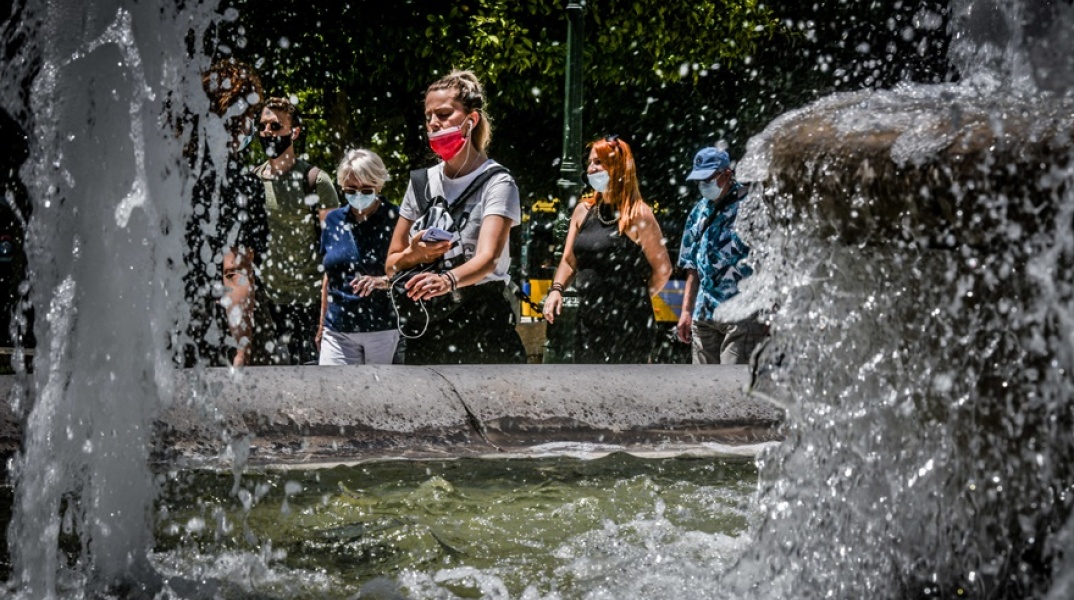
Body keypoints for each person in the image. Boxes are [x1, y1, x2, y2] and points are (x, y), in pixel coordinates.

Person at [385, 70, 525, 365]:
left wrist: (447, 280)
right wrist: (413, 253)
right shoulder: (421, 182)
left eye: (444, 114)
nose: (434, 123)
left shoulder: (498, 182)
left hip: (482, 324)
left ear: (470, 120)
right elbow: (391, 263)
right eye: (428, 117)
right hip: (426, 326)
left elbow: (487, 258)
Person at [542, 136, 672, 363]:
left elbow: (663, 270)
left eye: (599, 162)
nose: (592, 169)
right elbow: (569, 260)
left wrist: (633, 297)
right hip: (589, 321)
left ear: (619, 167)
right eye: (590, 162)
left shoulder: (638, 214)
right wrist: (556, 290)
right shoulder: (583, 210)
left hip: (628, 325)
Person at [253, 96, 340, 365]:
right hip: (267, 306)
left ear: (294, 132)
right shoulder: (253, 181)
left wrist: (329, 310)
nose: (267, 132)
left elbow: (335, 247)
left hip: (310, 303)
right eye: (263, 126)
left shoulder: (315, 180)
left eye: (275, 126)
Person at [676, 146, 766, 364]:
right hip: (704, 315)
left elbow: (768, 260)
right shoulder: (698, 212)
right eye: (699, 180)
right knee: (703, 388)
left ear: (727, 174)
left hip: (741, 316)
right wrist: (686, 312)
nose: (703, 184)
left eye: (708, 178)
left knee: (730, 387)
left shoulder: (751, 207)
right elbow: (692, 268)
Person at [316, 149, 400, 365]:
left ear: (379, 186)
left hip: (383, 328)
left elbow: (410, 271)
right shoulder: (333, 220)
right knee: (334, 395)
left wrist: (382, 281)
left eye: (366, 189)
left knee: (381, 396)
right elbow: (329, 275)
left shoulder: (397, 219)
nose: (358, 195)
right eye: (351, 189)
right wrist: (321, 324)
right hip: (337, 330)